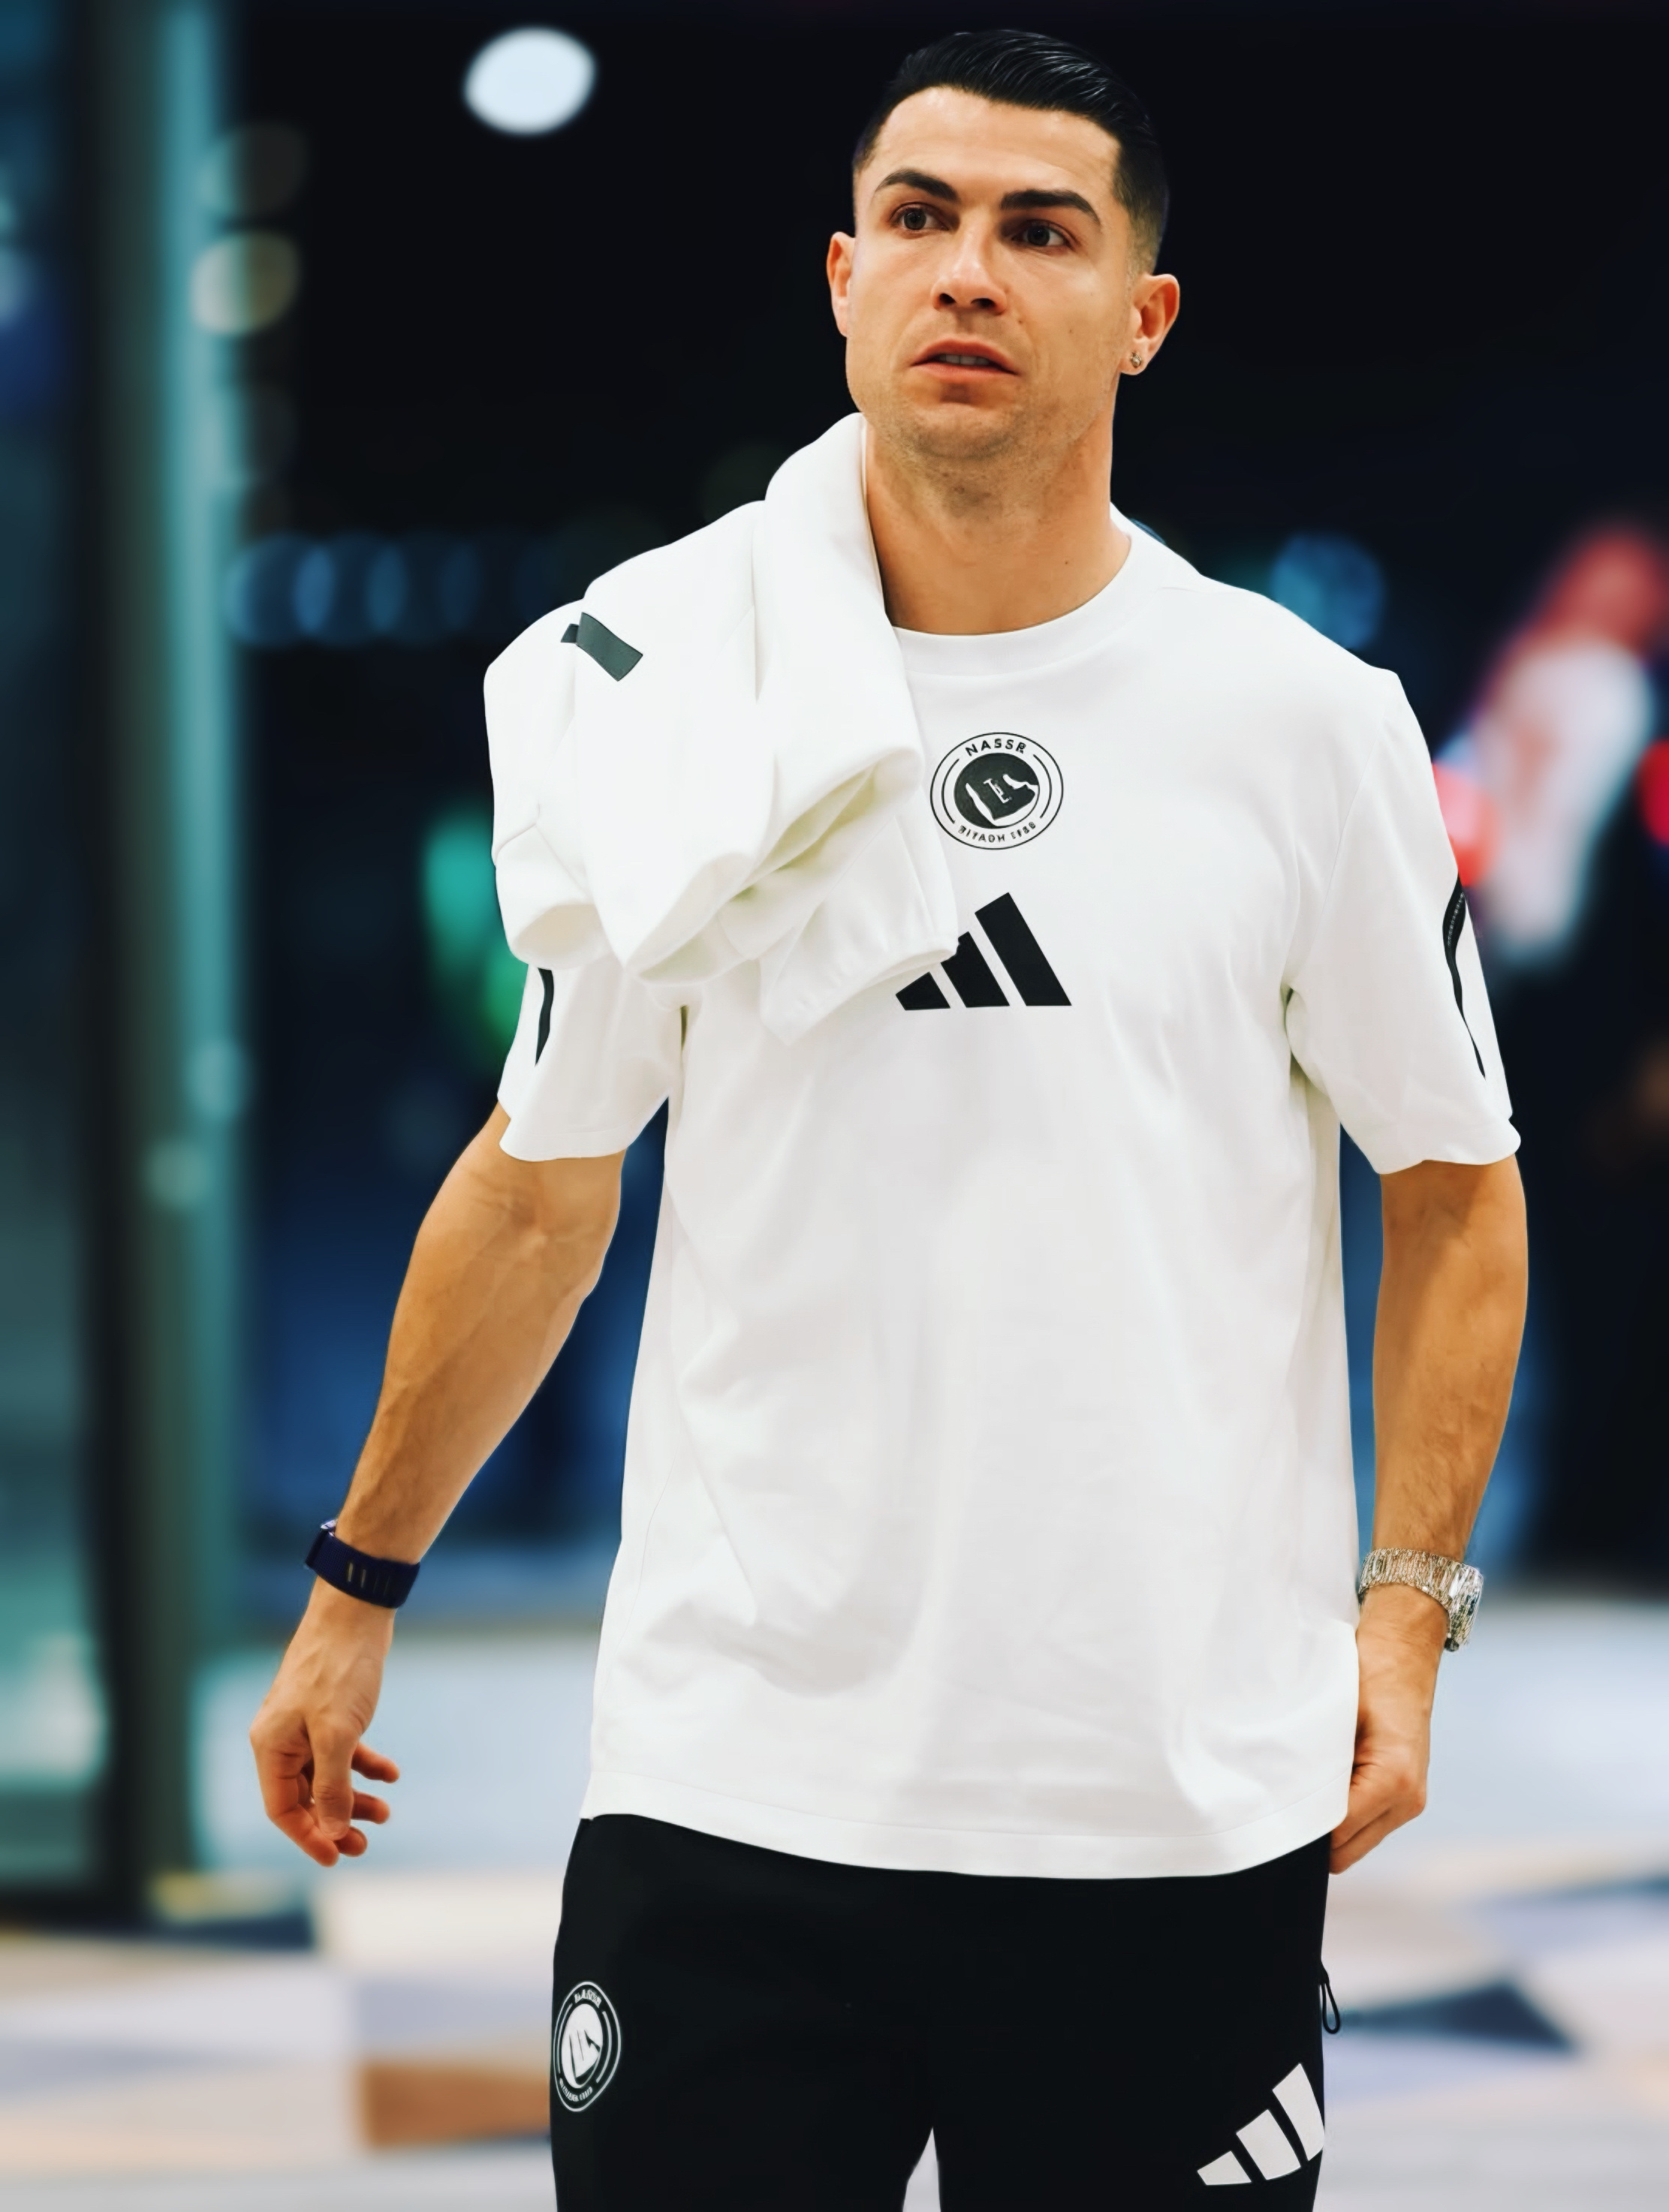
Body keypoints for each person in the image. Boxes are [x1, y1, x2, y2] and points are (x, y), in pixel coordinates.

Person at [252, 29, 1528, 2207]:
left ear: (1143, 314)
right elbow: (543, 1183)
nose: (969, 271)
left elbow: (1455, 1186)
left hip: (1165, 1803)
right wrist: (357, 1581)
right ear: (843, 278)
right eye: (920, 220)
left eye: (1042, 231)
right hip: (735, 1784)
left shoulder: (1303, 726)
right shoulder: (675, 695)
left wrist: (1403, 1616)